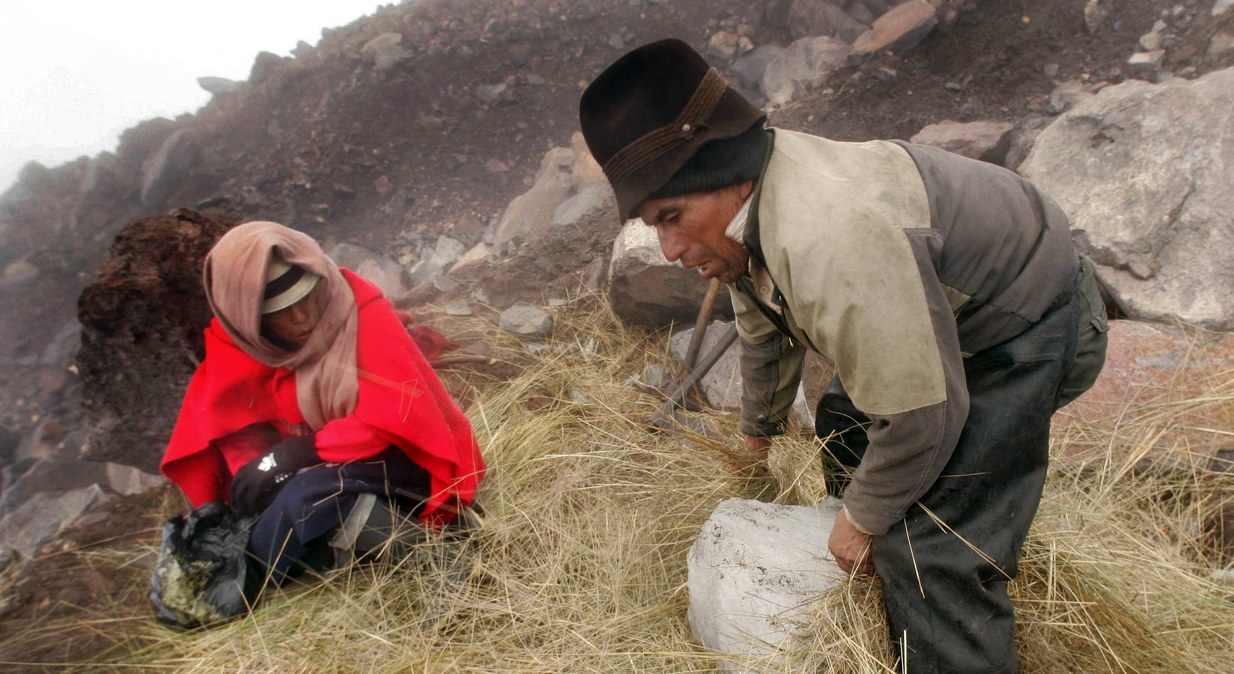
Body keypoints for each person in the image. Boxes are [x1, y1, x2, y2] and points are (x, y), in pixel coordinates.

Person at [579, 39, 1108, 673]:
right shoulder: (751, 211)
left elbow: (923, 412)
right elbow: (761, 326)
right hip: (944, 313)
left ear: (728, 178)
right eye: (652, 224)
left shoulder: (830, 237)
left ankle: (934, 613)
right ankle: (883, 599)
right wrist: (756, 434)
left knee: (934, 553)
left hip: (1027, 322)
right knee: (845, 421)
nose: (668, 249)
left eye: (672, 216)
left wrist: (864, 521)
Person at [160, 221, 486, 599]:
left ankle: (440, 565)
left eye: (306, 296)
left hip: (407, 457)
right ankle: (342, 541)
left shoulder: (360, 313)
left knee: (309, 496)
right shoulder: (235, 347)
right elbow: (238, 431)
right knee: (270, 525)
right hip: (321, 469)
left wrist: (297, 454)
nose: (302, 318)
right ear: (247, 319)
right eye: (280, 310)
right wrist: (262, 470)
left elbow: (389, 421)